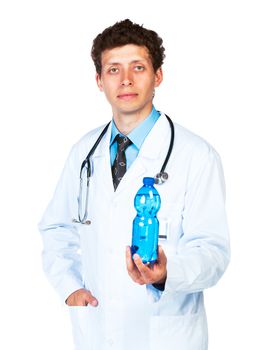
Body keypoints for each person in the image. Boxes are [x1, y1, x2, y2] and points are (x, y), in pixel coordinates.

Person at [39, 19, 230, 350]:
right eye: (113, 69)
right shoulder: (83, 152)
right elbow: (56, 228)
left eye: (138, 67)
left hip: (167, 338)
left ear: (157, 76)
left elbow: (213, 252)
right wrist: (70, 286)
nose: (125, 79)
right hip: (96, 332)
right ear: (99, 80)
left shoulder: (196, 155)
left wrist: (167, 273)